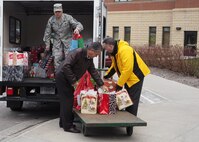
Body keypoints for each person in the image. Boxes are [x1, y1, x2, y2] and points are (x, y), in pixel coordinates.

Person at [55, 42, 108, 133]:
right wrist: (74, 81)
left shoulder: (89, 59)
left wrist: (101, 84)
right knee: (68, 101)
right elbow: (66, 66)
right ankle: (68, 126)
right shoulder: (77, 53)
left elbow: (93, 72)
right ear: (91, 50)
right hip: (63, 77)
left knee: (65, 101)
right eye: (96, 54)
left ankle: (63, 123)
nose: (96, 56)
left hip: (68, 79)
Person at [102, 37, 150, 116]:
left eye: (107, 49)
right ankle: (128, 118)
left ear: (110, 46)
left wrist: (119, 84)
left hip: (136, 77)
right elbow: (114, 66)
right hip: (128, 77)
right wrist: (106, 76)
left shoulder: (125, 50)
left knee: (132, 101)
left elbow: (128, 69)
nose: (107, 51)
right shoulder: (115, 52)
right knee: (128, 99)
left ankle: (131, 123)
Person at [43, 3, 83, 70]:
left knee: (69, 58)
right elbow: (47, 33)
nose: (58, 13)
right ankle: (58, 76)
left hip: (68, 40)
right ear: (54, 12)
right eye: (56, 12)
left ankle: (69, 75)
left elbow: (79, 25)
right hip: (57, 41)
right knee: (57, 58)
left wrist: (77, 29)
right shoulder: (51, 20)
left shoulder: (68, 18)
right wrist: (47, 44)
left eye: (59, 11)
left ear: (62, 11)